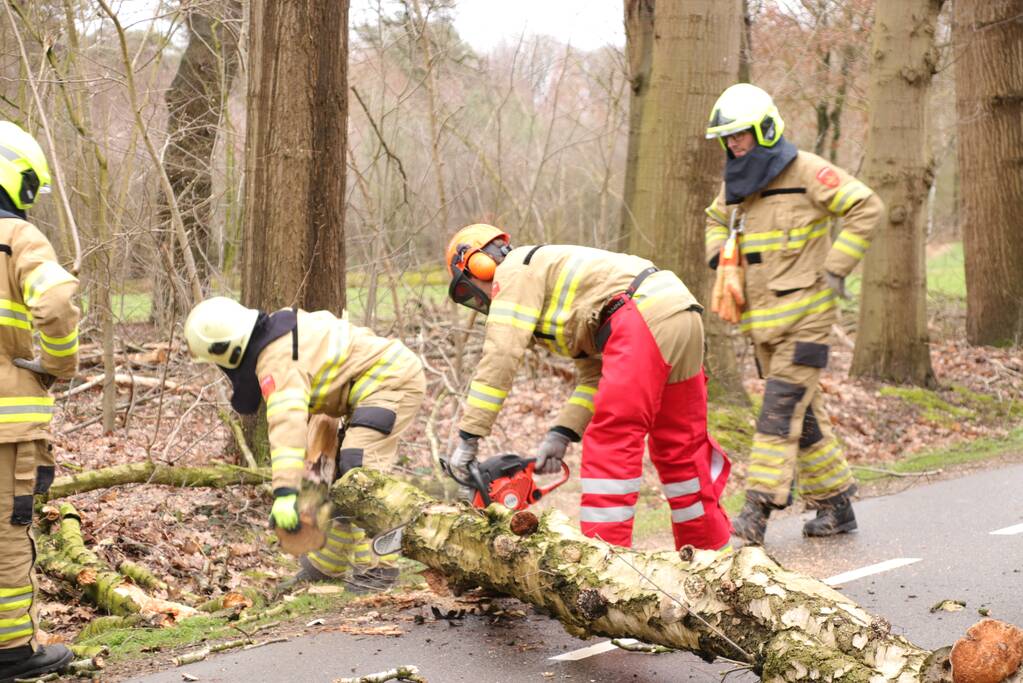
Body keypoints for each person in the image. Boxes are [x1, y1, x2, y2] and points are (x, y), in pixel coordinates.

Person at [442, 224, 731, 552]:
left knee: (612, 440)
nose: (477, 300)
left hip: (639, 312)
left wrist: (469, 438)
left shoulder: (513, 272)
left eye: (468, 291)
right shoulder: (552, 283)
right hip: (680, 311)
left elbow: (501, 355)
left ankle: (606, 562)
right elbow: (596, 378)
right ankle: (711, 557)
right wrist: (561, 434)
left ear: (480, 264)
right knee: (681, 447)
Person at [703, 83, 883, 545]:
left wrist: (837, 267)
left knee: (779, 413)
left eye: (740, 134)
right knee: (804, 419)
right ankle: (837, 505)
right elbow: (715, 220)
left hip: (807, 322)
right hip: (763, 326)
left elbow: (866, 205)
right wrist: (720, 258)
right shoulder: (736, 183)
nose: (733, 144)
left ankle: (755, 513)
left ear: (765, 129)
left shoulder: (807, 171)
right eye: (727, 137)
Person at [184, 298, 425, 592]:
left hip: (391, 380)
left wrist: (285, 493)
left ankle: (379, 568)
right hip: (366, 384)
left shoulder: (277, 360)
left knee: (361, 472)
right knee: (339, 477)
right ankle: (329, 562)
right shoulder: (280, 330)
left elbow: (287, 425)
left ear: (227, 350)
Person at [0, 121, 79, 680]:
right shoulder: (16, 237)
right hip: (6, 427)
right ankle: (10, 654)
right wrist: (57, 364)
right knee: (6, 537)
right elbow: (54, 301)